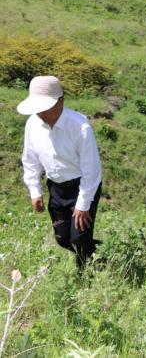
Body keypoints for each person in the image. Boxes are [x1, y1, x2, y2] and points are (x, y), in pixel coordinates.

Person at [18, 76, 103, 272]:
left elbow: (92, 170)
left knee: (79, 238)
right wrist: (35, 191)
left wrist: (82, 205)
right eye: (37, 109)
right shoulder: (32, 124)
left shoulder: (80, 127)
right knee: (63, 238)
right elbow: (30, 159)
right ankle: (97, 254)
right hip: (56, 187)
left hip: (82, 186)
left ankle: (85, 277)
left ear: (60, 101)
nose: (41, 113)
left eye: (45, 108)